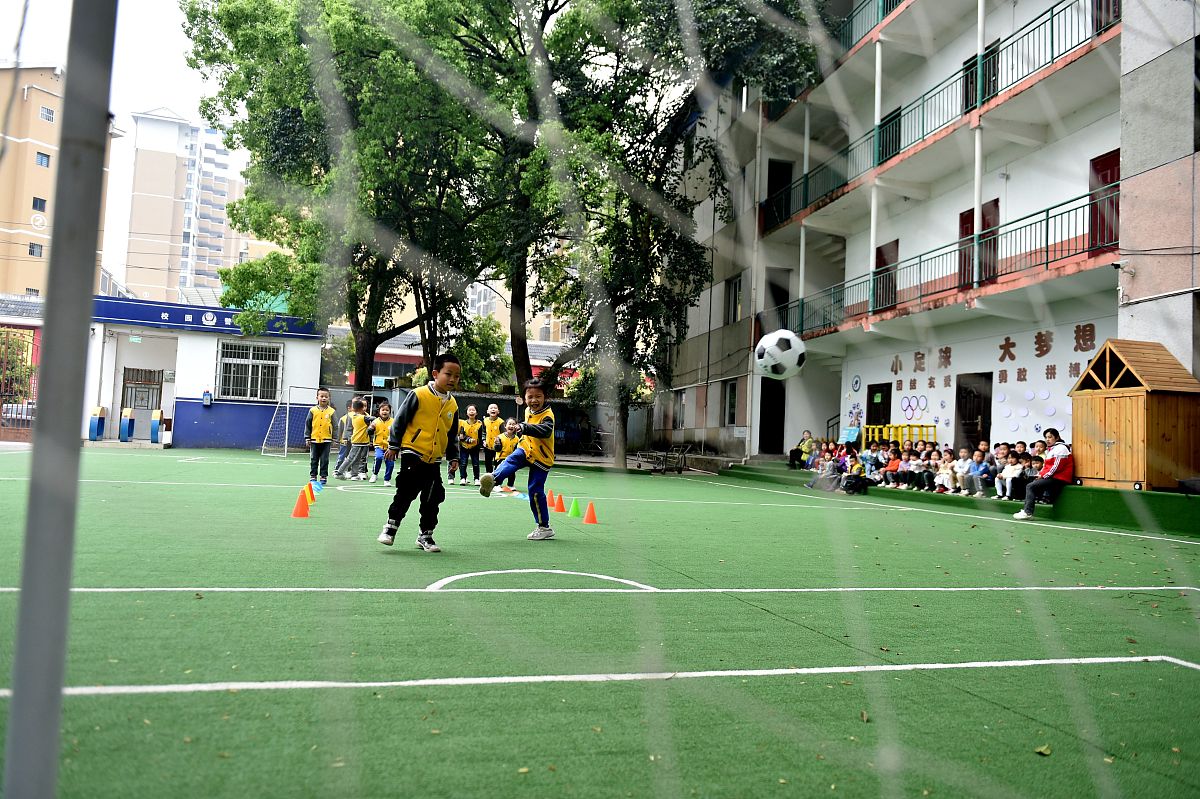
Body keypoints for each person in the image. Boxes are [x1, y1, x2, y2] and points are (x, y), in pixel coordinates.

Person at [377, 353, 461, 552]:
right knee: (406, 490)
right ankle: (390, 527)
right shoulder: (419, 394)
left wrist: (454, 456)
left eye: (457, 376)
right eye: (448, 374)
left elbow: (452, 433)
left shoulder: (453, 404)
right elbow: (400, 420)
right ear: (435, 374)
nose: (452, 379)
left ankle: (426, 535)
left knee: (433, 496)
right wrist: (394, 444)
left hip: (434, 458)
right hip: (413, 451)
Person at [479, 379, 558, 540]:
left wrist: (524, 427)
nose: (534, 400)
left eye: (538, 396)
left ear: (545, 397)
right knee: (509, 460)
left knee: (535, 491)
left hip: (542, 457)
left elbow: (545, 431)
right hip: (526, 448)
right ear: (524, 397)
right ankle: (493, 479)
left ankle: (544, 527)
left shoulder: (548, 416)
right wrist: (520, 429)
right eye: (530, 397)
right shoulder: (528, 410)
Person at [1014, 428, 1073, 520]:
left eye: (1050, 437)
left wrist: (1043, 476)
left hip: (1060, 478)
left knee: (1030, 486)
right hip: (1053, 477)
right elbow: (1046, 466)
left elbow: (1057, 467)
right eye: (1046, 437)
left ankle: (1027, 512)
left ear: (1057, 437)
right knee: (1030, 483)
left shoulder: (1061, 448)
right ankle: (1026, 509)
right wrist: (1040, 475)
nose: (1047, 439)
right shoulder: (1052, 449)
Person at [303, 387, 336, 485]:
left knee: (325, 459)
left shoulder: (331, 411)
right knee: (314, 458)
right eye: (321, 396)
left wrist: (334, 438)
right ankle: (313, 475)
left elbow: (336, 425)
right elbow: (308, 424)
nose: (324, 398)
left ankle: (323, 476)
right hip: (314, 439)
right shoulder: (312, 410)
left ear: (329, 398)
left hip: (326, 440)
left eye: (326, 396)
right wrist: (307, 437)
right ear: (317, 397)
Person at [337, 399, 374, 480]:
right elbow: (373, 419)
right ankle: (339, 472)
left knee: (357, 458)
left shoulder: (354, 416)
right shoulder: (363, 417)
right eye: (363, 406)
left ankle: (354, 474)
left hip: (361, 441)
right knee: (351, 457)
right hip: (359, 441)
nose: (364, 408)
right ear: (360, 409)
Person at [456, 404, 484, 485]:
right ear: (466, 413)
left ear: (476, 413)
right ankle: (463, 478)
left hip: (475, 447)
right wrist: (468, 440)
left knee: (476, 463)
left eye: (473, 410)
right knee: (463, 463)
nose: (471, 412)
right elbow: (461, 436)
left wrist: (480, 444)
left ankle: (476, 479)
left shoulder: (480, 424)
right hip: (464, 446)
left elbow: (481, 435)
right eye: (469, 410)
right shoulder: (462, 423)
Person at [491, 417, 520, 490]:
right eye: (509, 424)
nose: (511, 426)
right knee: (500, 472)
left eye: (513, 424)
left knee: (512, 472)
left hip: (511, 458)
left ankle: (510, 484)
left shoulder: (517, 439)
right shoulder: (500, 437)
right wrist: (496, 444)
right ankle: (497, 485)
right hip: (501, 458)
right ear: (505, 426)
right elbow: (496, 449)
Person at [369, 402, 394, 485]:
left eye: (387, 410)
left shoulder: (393, 422)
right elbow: (369, 431)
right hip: (378, 445)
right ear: (379, 411)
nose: (385, 412)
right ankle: (374, 474)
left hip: (389, 447)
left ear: (390, 411)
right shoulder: (375, 421)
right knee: (379, 458)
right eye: (383, 410)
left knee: (390, 463)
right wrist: (371, 429)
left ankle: (387, 480)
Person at [333, 397, 358, 478]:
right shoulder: (343, 419)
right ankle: (336, 470)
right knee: (342, 456)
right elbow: (339, 430)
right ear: (349, 408)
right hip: (344, 442)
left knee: (350, 457)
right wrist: (338, 440)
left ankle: (348, 471)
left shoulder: (357, 417)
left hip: (353, 441)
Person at [482, 403, 505, 475]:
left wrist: (499, 442)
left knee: (497, 463)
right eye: (491, 408)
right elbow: (483, 432)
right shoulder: (485, 421)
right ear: (487, 411)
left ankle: (496, 477)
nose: (493, 409)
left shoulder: (501, 422)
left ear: (498, 411)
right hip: (488, 446)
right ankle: (488, 476)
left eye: (495, 408)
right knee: (488, 463)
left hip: (497, 448)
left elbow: (503, 434)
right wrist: (484, 440)